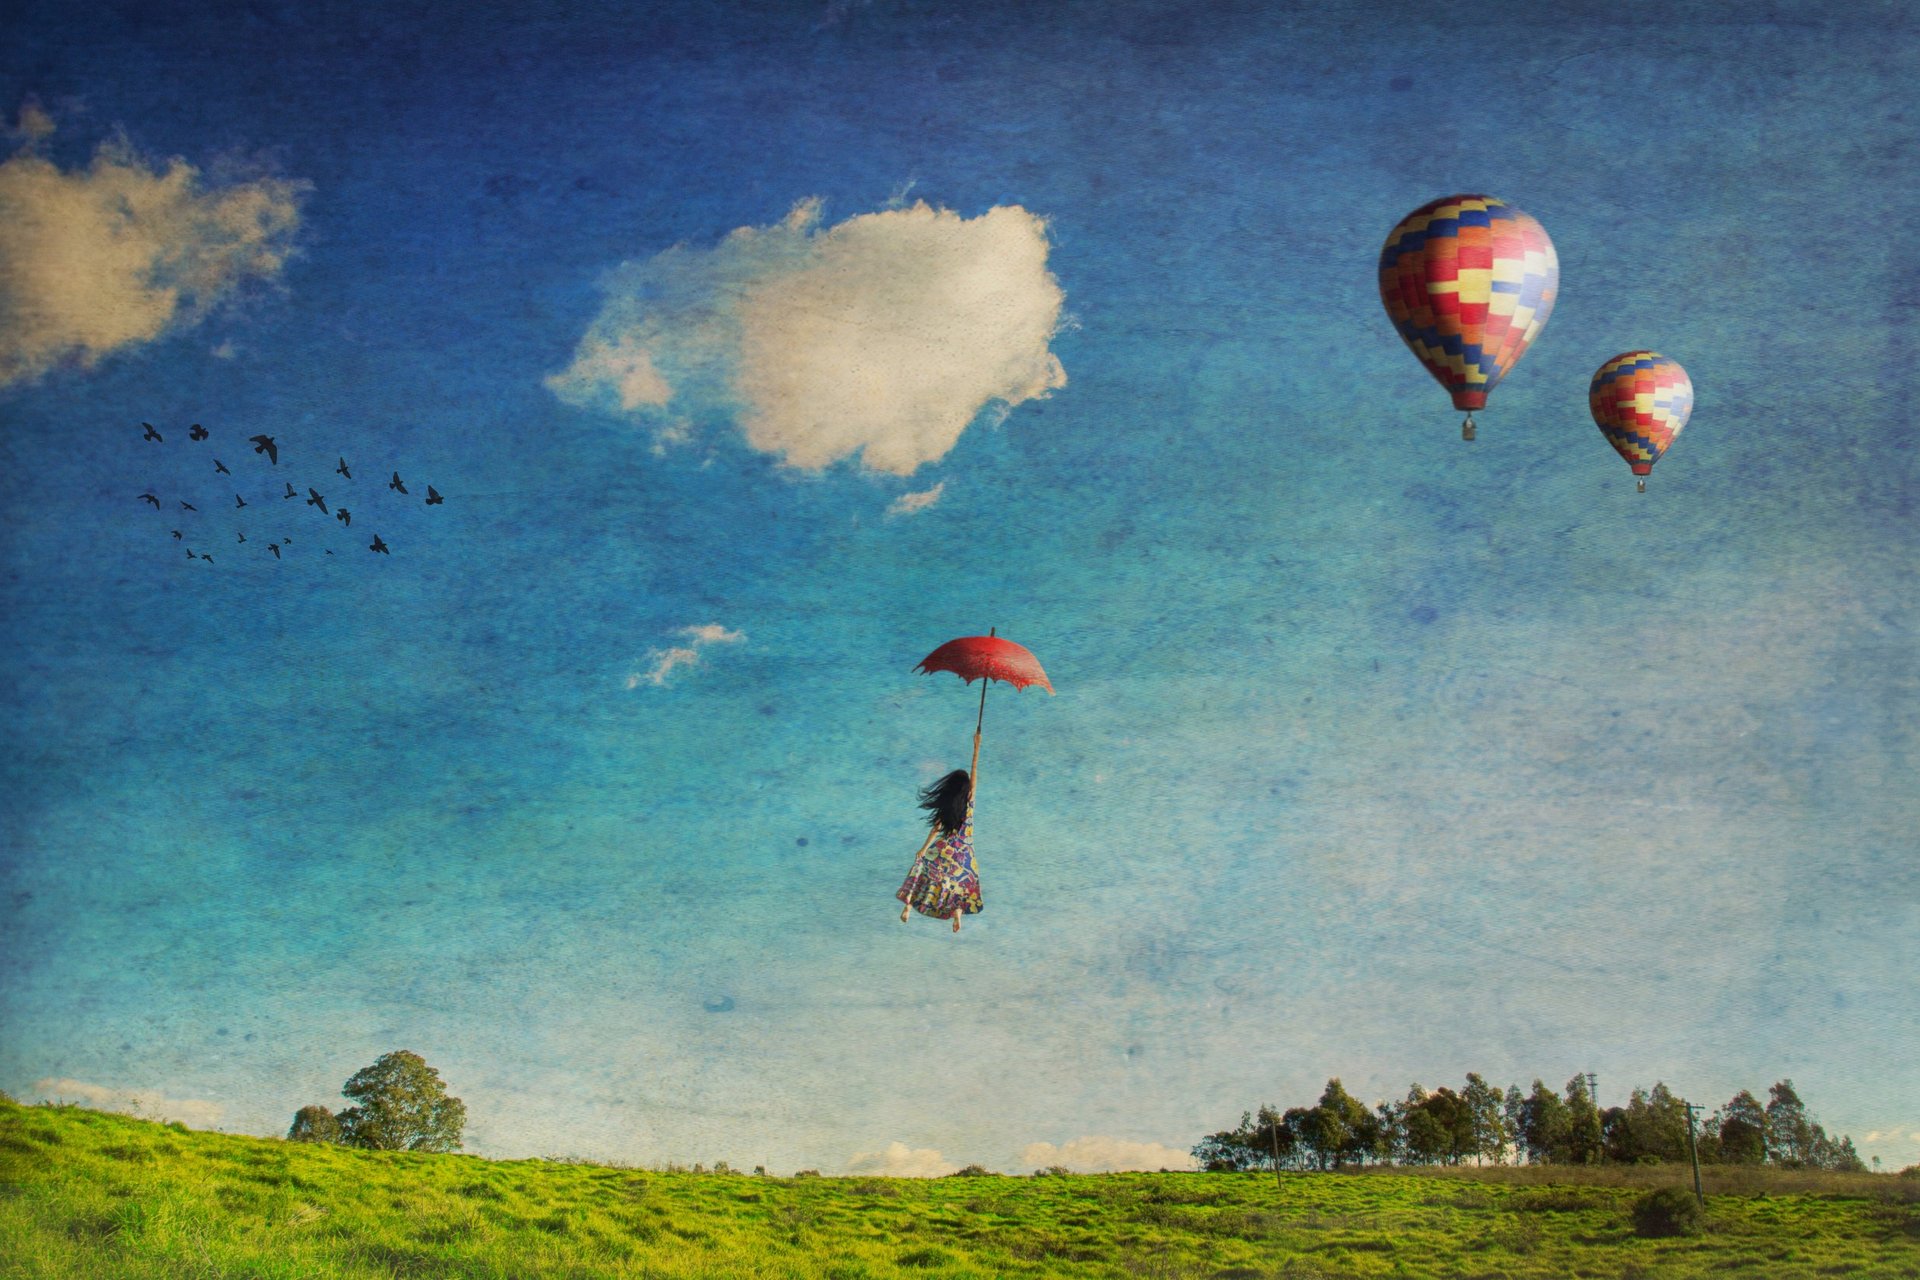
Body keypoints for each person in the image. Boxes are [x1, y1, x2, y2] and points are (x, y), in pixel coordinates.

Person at [896, 731, 982, 933]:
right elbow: (975, 770)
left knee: (922, 871)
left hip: (944, 849)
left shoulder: (947, 809)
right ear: (966, 789)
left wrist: (923, 849)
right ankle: (957, 913)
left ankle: (909, 903)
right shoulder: (969, 803)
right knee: (962, 883)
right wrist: (977, 747)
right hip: (963, 853)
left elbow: (936, 829)